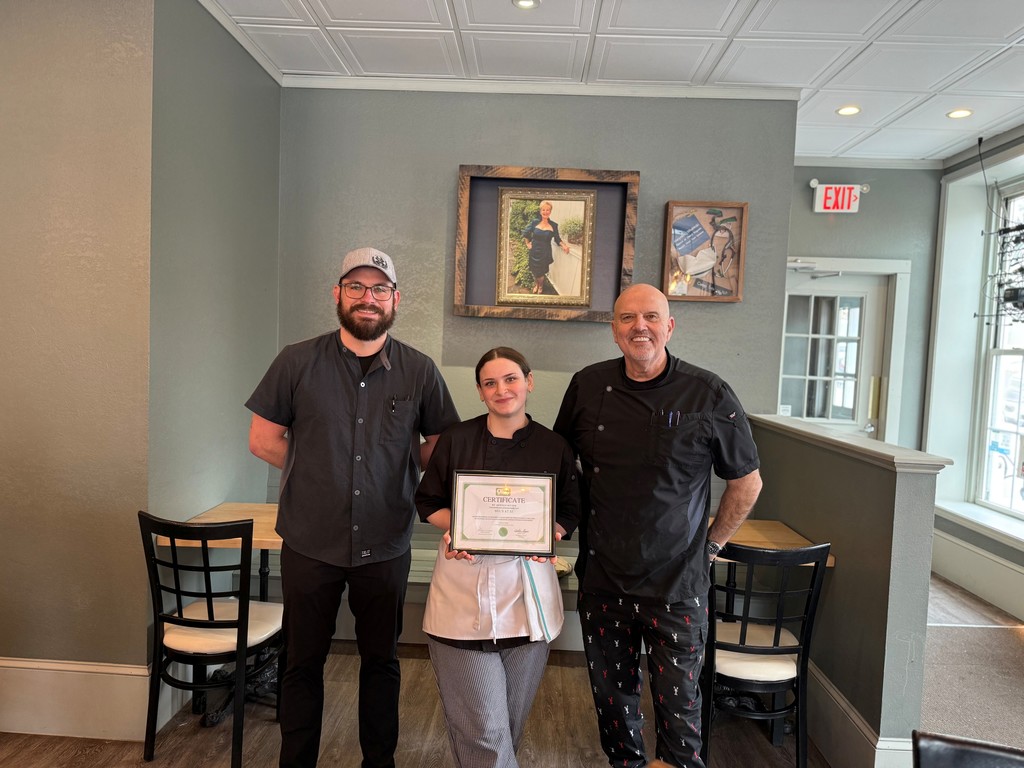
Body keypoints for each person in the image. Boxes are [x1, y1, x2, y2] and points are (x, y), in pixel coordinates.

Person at [246, 247, 461, 768]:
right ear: (338, 295)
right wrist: (315, 472)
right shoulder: (296, 361)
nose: (368, 299)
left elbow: (442, 443)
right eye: (357, 288)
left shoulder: (419, 370)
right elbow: (263, 438)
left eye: (379, 289)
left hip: (385, 542)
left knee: (381, 662)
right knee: (302, 663)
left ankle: (378, 762)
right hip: (309, 540)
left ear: (395, 299)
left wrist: (404, 470)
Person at [553, 283, 762, 768]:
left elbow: (746, 483)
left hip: (676, 584)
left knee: (680, 713)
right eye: (627, 318)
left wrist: (709, 549)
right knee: (614, 705)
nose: (639, 327)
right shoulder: (587, 385)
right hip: (603, 577)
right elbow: (562, 468)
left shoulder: (708, 392)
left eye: (651, 317)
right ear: (613, 330)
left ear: (669, 326)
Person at [415, 346, 581, 768]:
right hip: (461, 597)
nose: (501, 389)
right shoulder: (456, 439)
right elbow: (428, 500)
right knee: (486, 733)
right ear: (479, 391)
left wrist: (551, 532)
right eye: (490, 383)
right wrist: (458, 527)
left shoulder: (553, 445)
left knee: (505, 727)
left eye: (510, 379)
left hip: (528, 604)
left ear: (529, 381)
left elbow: (569, 509)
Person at [522, 200, 571, 295]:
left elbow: (557, 239)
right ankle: (536, 284)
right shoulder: (534, 222)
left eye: (547, 210)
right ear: (540, 211)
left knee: (541, 272)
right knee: (534, 271)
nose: (545, 212)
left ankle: (540, 286)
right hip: (534, 251)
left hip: (545, 252)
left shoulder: (554, 225)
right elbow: (526, 233)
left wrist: (564, 246)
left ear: (550, 211)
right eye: (543, 210)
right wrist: (527, 243)